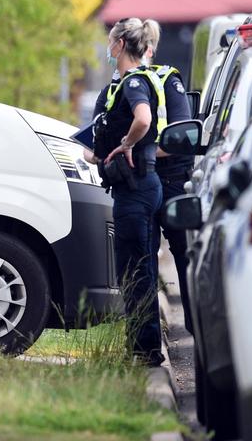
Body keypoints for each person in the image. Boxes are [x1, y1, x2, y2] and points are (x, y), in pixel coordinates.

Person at [87, 18, 165, 366]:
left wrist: (125, 144)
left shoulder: (134, 82)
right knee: (136, 268)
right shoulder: (123, 85)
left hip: (136, 190)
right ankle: (140, 344)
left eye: (109, 42)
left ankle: (145, 350)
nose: (108, 48)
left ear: (120, 45)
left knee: (137, 271)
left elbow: (144, 119)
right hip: (137, 187)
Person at [143, 39, 195, 334]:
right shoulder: (119, 86)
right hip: (138, 181)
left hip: (172, 179)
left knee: (184, 253)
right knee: (143, 257)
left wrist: (138, 150)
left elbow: (184, 135)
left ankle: (195, 327)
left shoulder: (166, 80)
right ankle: (147, 341)